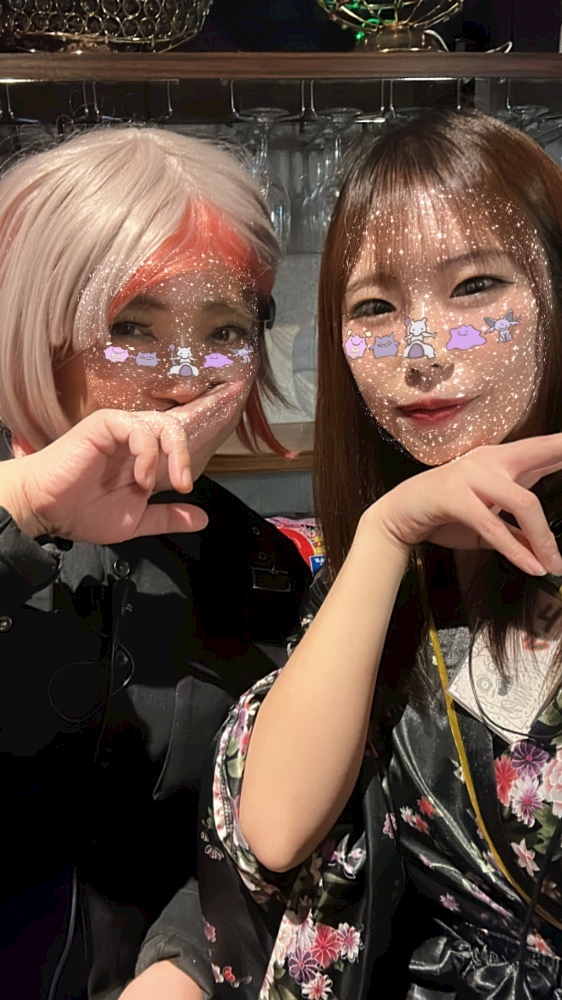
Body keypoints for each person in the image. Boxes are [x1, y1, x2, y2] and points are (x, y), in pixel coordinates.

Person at [197, 109, 562, 999]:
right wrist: (389, 530)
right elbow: (276, 828)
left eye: (475, 285)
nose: (422, 352)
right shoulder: (390, 566)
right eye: (375, 307)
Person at [0, 125, 311, 1000]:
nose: (184, 379)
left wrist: (186, 961)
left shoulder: (261, 568)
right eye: (132, 327)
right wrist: (20, 513)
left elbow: (250, 832)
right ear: (34, 320)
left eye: (224, 331)